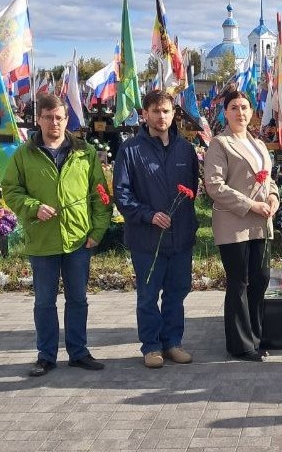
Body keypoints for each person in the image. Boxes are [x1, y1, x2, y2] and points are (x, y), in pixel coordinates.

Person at [0, 93, 113, 377]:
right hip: (42, 240)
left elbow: (100, 194)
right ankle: (46, 356)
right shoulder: (24, 155)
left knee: (78, 300)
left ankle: (78, 352)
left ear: (67, 119)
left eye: (59, 117)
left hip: (78, 239)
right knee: (44, 302)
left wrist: (97, 231)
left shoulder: (84, 152)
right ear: (38, 119)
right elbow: (11, 190)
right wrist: (33, 207)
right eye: (48, 117)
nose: (54, 123)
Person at [114, 91, 199, 369]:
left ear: (173, 114)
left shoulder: (185, 149)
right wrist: (149, 216)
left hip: (180, 238)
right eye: (155, 111)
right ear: (145, 114)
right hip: (147, 239)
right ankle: (151, 346)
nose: (161, 116)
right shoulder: (130, 150)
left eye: (166, 111)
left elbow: (192, 191)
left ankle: (173, 342)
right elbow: (122, 194)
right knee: (148, 295)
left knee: (177, 292)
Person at [204, 89, 280, 361]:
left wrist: (273, 197)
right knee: (240, 282)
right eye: (234, 107)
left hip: (261, 222)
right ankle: (241, 345)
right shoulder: (220, 144)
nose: (240, 112)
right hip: (234, 224)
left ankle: (256, 336)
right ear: (225, 112)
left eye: (244, 107)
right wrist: (251, 205)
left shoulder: (257, 143)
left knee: (260, 279)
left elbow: (269, 179)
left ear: (252, 112)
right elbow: (214, 185)